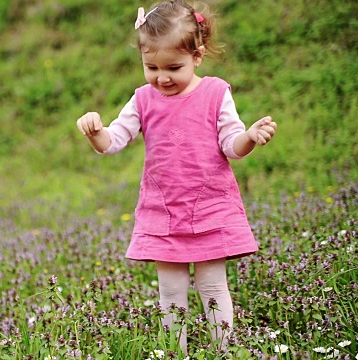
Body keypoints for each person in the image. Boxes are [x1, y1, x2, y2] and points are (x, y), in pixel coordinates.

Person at [75, 0, 277, 354]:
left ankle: (225, 351)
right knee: (170, 293)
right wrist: (95, 133)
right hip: (163, 212)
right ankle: (175, 353)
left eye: (173, 67)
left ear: (197, 56)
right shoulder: (142, 99)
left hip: (210, 207)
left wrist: (250, 138)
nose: (162, 77)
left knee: (213, 287)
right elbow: (114, 142)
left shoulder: (215, 93)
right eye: (150, 66)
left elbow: (231, 144)